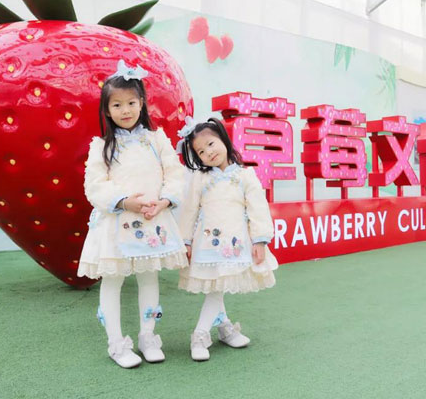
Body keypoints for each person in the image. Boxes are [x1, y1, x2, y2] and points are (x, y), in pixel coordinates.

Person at [77, 60, 188, 368]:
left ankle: (148, 337)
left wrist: (164, 201)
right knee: (112, 281)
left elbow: (175, 174)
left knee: (149, 279)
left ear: (142, 103)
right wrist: (124, 202)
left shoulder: (157, 139)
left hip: (153, 220)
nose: (125, 110)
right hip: (116, 224)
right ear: (107, 109)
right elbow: (94, 185)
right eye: (117, 105)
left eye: (131, 103)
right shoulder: (101, 146)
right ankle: (116, 344)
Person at [177, 117, 278, 361]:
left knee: (219, 285)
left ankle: (223, 328)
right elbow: (189, 210)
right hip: (207, 246)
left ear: (223, 139)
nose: (208, 153)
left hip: (235, 244)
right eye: (201, 152)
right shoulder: (200, 178)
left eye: (211, 144)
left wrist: (260, 240)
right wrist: (185, 241)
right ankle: (200, 335)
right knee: (217, 287)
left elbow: (258, 208)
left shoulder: (245, 176)